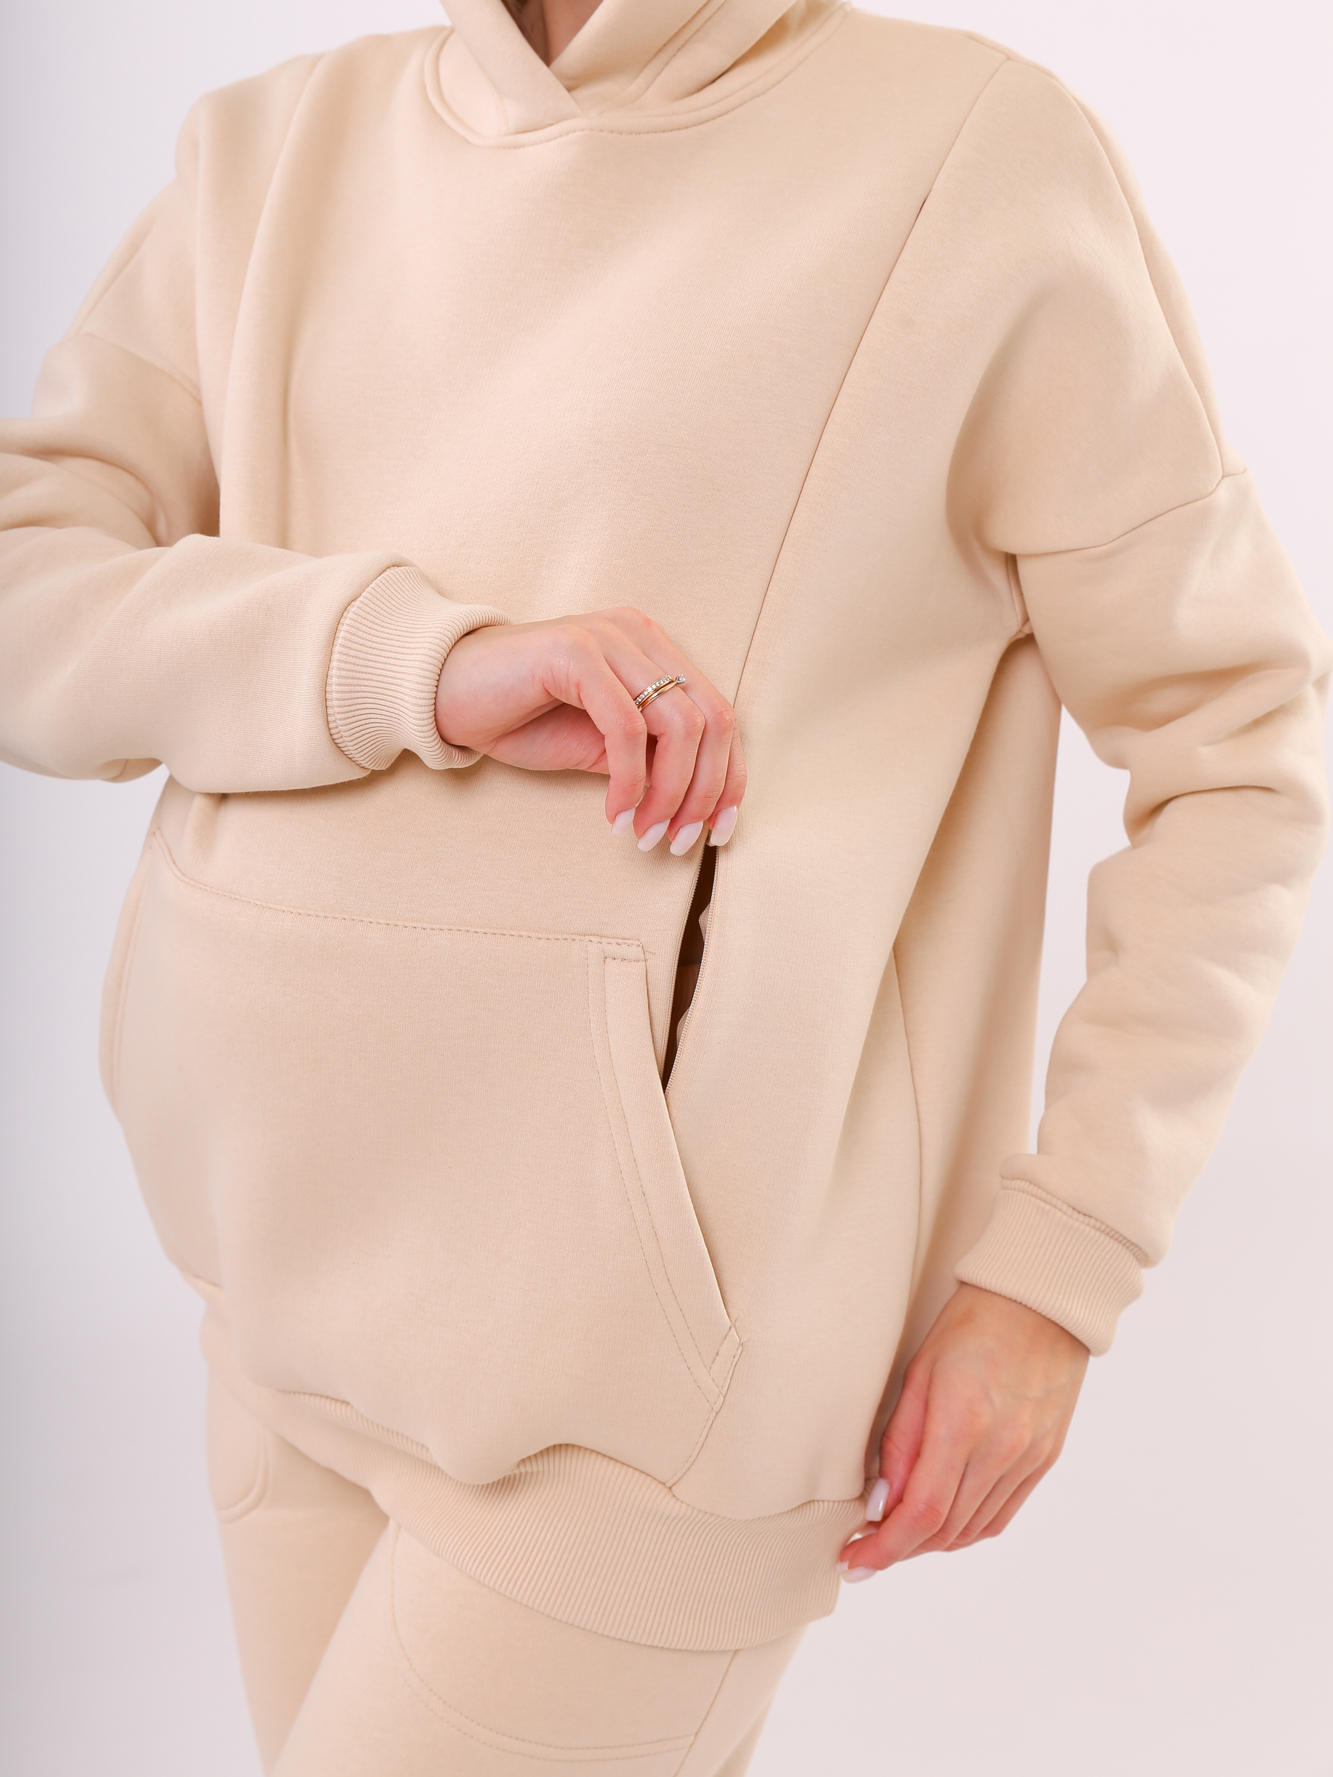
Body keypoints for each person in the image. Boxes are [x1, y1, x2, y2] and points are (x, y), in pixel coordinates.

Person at [0, 0, 1327, 1769]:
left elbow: (1237, 743)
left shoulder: (970, 159)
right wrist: (410, 659)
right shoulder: (274, 142)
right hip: (264, 1284)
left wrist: (1055, 1267)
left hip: (648, 1386)